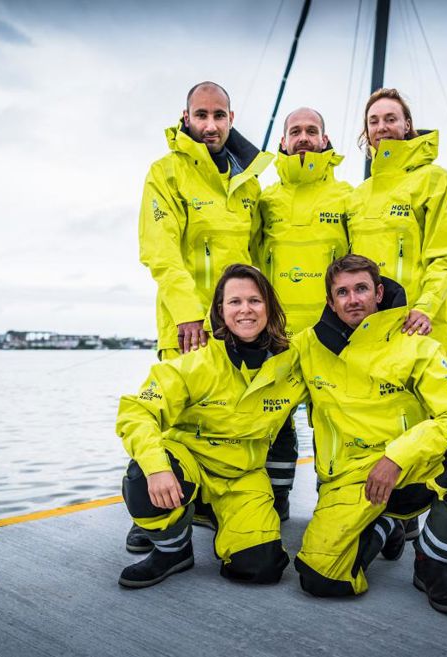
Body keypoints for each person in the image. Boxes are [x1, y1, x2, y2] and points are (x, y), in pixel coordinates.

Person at [291, 255, 447, 614]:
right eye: (342, 292)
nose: (353, 299)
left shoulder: (415, 342)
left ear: (378, 292)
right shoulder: (306, 347)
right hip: (350, 478)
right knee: (320, 580)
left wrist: (396, 457)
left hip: (412, 468)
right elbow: (259, 385)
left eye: (361, 288)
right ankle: (386, 525)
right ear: (330, 302)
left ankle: (431, 561)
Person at [349, 88, 447, 573]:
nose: (383, 126)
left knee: (443, 427)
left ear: (408, 125)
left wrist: (426, 308)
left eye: (392, 118)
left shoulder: (436, 180)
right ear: (366, 134)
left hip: (425, 327)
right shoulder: (358, 196)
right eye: (374, 120)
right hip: (375, 337)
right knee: (392, 427)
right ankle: (405, 518)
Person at [129, 81, 273, 552]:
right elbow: (160, 250)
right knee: (177, 419)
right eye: (201, 115)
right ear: (185, 118)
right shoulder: (166, 173)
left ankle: (214, 505)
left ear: (231, 120)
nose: (210, 125)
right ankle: (158, 514)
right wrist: (190, 313)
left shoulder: (248, 182)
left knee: (228, 415)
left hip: (240, 326)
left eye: (219, 116)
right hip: (186, 322)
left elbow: (257, 259)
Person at [116, 264, 306, 588]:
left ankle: (216, 513)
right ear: (220, 311)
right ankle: (173, 550)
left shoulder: (294, 363)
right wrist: (156, 468)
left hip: (243, 476)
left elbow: (342, 352)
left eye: (255, 301)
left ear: (270, 307)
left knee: (262, 569)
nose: (245, 309)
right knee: (140, 480)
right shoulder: (195, 363)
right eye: (234, 302)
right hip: (192, 464)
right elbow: (136, 411)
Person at [253, 107, 352, 520]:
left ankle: (336, 502)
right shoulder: (265, 199)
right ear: (283, 142)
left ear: (325, 140)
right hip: (277, 335)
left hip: (330, 335)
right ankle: (275, 500)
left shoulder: (348, 197)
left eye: (313, 131)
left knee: (333, 424)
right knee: (273, 422)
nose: (304, 137)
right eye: (296, 131)